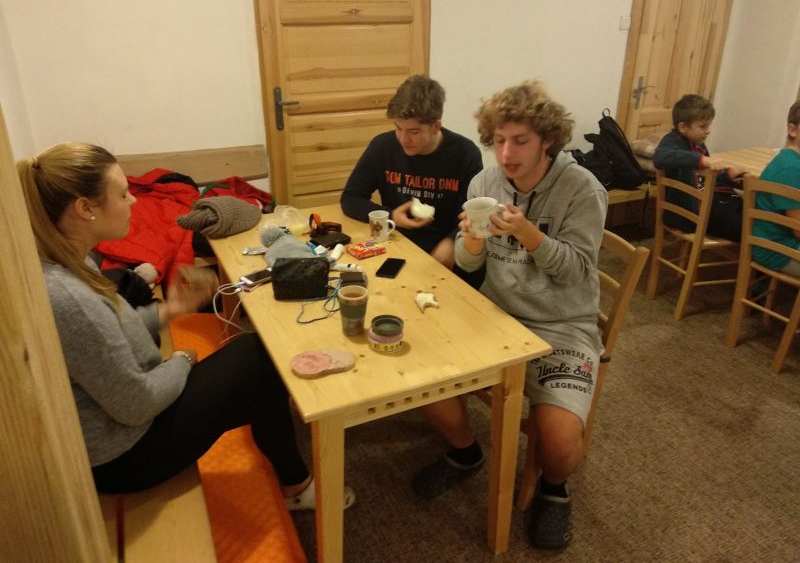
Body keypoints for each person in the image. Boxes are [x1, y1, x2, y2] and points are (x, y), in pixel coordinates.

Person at [17, 142, 354, 510]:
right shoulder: (68, 295)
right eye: (123, 194)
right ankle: (297, 482)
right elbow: (137, 404)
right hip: (126, 455)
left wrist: (173, 308)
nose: (133, 201)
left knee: (256, 367)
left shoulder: (71, 260)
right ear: (85, 209)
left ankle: (295, 481)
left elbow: (112, 330)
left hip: (132, 420)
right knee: (257, 356)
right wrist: (181, 361)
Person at [410, 81, 607, 550]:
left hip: (563, 323)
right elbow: (469, 262)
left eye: (519, 141)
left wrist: (528, 234)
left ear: (547, 140)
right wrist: (471, 241)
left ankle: (555, 488)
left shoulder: (582, 189)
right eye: (498, 140)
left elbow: (578, 272)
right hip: (495, 313)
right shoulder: (485, 183)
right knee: (417, 373)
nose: (505, 154)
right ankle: (466, 453)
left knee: (559, 446)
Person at [340, 74, 483, 269]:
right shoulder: (382, 146)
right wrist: (391, 215)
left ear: (436, 126)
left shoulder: (465, 153)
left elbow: (472, 215)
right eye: (398, 128)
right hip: (398, 243)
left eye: (414, 132)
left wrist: (451, 241)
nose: (403, 139)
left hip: (444, 250)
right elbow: (351, 198)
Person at [653, 93, 743, 241]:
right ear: (683, 127)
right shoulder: (672, 141)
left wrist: (727, 175)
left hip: (707, 205)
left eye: (708, 125)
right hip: (688, 215)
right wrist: (702, 160)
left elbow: (706, 179)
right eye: (702, 126)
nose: (708, 130)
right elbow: (660, 157)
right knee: (748, 228)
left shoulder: (698, 144)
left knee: (749, 211)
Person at [753, 100, 800, 275]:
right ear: (792, 130)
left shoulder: (787, 158)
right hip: (777, 250)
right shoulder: (791, 169)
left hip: (774, 242)